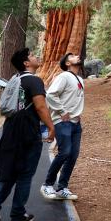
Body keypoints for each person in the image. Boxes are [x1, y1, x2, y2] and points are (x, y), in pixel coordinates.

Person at [0, 48, 55, 221]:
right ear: (26, 63)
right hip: (27, 130)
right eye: (32, 56)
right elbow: (40, 106)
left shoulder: (14, 81)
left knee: (8, 171)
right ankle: (17, 215)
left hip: (10, 128)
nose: (36, 57)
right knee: (25, 174)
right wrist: (50, 126)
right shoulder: (34, 80)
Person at [41, 52, 85, 201]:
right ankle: (47, 184)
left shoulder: (79, 78)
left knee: (73, 155)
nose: (77, 56)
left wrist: (77, 114)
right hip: (62, 121)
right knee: (64, 152)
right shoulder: (63, 76)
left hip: (75, 123)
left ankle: (62, 188)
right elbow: (51, 94)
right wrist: (62, 110)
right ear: (67, 63)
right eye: (72, 56)